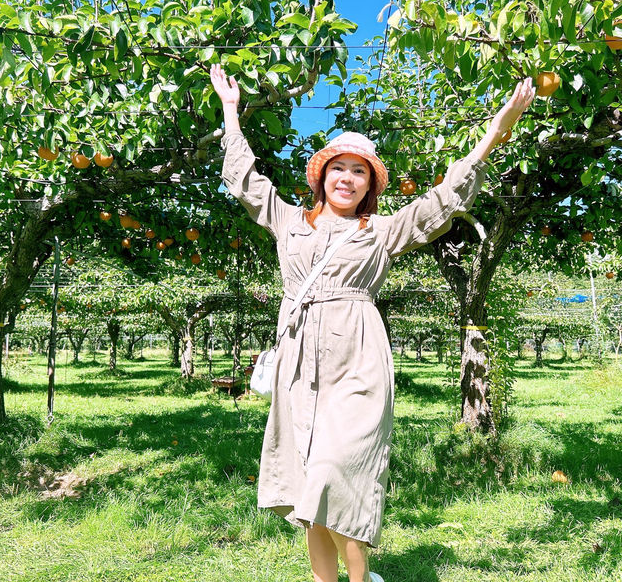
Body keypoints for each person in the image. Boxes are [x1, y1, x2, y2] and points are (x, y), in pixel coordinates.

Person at [211, 63, 535, 582]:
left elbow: (442, 202)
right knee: (306, 483)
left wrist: (494, 135)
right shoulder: (289, 220)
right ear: (322, 177)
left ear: (369, 185)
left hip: (357, 362)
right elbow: (244, 180)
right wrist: (231, 112)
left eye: (359, 171)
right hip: (299, 361)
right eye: (339, 168)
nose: (347, 178)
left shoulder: (381, 231)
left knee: (337, 473)